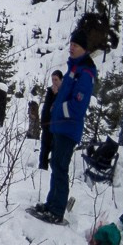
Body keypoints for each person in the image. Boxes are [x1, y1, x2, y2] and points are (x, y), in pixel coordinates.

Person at [35, 31, 96, 223]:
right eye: (71, 44)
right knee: (55, 165)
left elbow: (77, 105)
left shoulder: (84, 73)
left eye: (76, 45)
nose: (71, 48)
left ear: (84, 49)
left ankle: (57, 210)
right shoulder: (74, 68)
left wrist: (59, 111)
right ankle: (51, 203)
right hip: (60, 127)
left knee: (60, 168)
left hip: (68, 128)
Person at [38, 70, 63, 170]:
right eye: (52, 80)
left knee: (56, 151)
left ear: (61, 80)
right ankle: (42, 169)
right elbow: (46, 108)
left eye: (56, 80)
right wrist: (43, 123)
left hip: (58, 126)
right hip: (48, 125)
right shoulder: (50, 91)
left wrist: (57, 94)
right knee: (44, 149)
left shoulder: (64, 92)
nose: (54, 82)